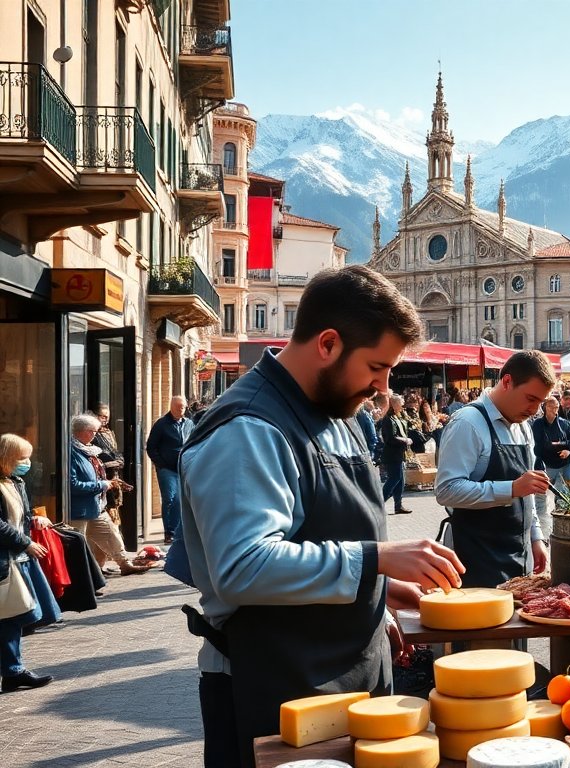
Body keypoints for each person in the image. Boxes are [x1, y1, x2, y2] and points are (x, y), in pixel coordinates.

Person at [177, 265, 465, 767]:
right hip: (272, 689)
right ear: (328, 344)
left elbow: (327, 535)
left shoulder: (336, 411)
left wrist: (375, 594)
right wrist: (373, 560)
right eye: (376, 367)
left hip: (342, 678)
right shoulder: (249, 428)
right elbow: (243, 566)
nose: (382, 386)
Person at [436, 350, 553, 586]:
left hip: (518, 558)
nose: (534, 410)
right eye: (531, 399)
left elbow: (526, 494)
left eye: (540, 402)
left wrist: (536, 538)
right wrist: (511, 488)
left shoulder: (523, 427)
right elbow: (447, 491)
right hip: (476, 560)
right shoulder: (467, 423)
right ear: (507, 382)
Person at [0, 433, 60, 692]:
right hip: (8, 558)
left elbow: (18, 516)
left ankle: (13, 670)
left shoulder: (16, 482)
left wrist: (34, 520)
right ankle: (13, 670)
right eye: (21, 458)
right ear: (7, 458)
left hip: (16, 558)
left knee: (12, 617)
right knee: (10, 616)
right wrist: (25, 542)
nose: (26, 462)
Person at [70, 414, 148, 577]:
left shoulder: (89, 451)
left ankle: (124, 564)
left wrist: (111, 482)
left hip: (96, 505)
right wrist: (101, 485)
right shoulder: (72, 453)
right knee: (78, 547)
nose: (95, 435)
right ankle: (85, 582)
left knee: (111, 534)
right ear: (84, 432)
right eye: (93, 431)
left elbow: (96, 475)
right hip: (79, 510)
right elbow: (72, 484)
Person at [145, 395, 194, 545]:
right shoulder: (161, 424)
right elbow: (151, 447)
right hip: (167, 469)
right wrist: (161, 463)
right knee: (170, 498)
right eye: (178, 407)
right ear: (171, 407)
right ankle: (169, 532)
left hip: (183, 468)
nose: (181, 410)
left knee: (180, 500)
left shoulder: (189, 424)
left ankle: (178, 531)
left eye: (183, 407)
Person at [533, 396, 570, 495]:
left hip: (566, 461)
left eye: (556, 407)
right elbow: (536, 445)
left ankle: (564, 507)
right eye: (551, 407)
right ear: (545, 407)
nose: (554, 410)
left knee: (567, 490)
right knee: (544, 492)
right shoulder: (538, 424)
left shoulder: (564, 423)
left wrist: (568, 450)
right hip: (548, 463)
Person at [91, 403, 127, 523]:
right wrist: (112, 463)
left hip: (114, 474)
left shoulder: (110, 432)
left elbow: (114, 451)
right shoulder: (93, 435)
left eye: (107, 417)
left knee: (116, 506)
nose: (105, 419)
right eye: (102, 416)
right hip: (103, 475)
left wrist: (120, 460)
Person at [379, 394, 413, 515]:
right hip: (391, 454)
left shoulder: (399, 416)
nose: (403, 402)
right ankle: (379, 504)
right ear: (394, 404)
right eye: (401, 401)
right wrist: (405, 440)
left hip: (399, 453)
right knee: (394, 479)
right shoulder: (388, 419)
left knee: (400, 481)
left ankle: (398, 506)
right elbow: (389, 438)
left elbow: (405, 430)